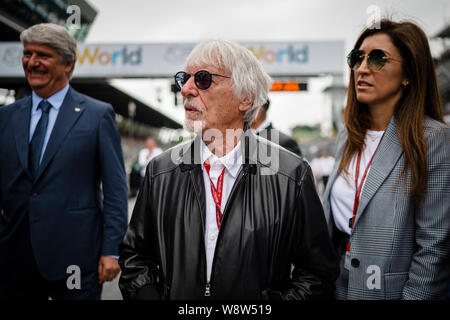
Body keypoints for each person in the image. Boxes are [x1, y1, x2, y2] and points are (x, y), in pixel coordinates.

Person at [119, 39, 339, 300]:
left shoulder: (291, 174)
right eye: (184, 78)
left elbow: (317, 274)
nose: (186, 89)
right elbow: (135, 257)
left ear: (245, 99)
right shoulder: (161, 170)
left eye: (202, 79)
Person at [322, 19, 449, 299]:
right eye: (357, 58)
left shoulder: (434, 140)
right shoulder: (347, 135)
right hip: (339, 288)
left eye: (378, 59)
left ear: (409, 73)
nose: (363, 68)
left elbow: (435, 247)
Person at [0, 23, 128, 300]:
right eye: (27, 54)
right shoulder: (6, 117)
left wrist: (112, 250)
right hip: (14, 259)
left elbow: (116, 190)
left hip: (75, 259)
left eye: (42, 56)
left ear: (68, 63)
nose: (32, 62)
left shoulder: (97, 115)